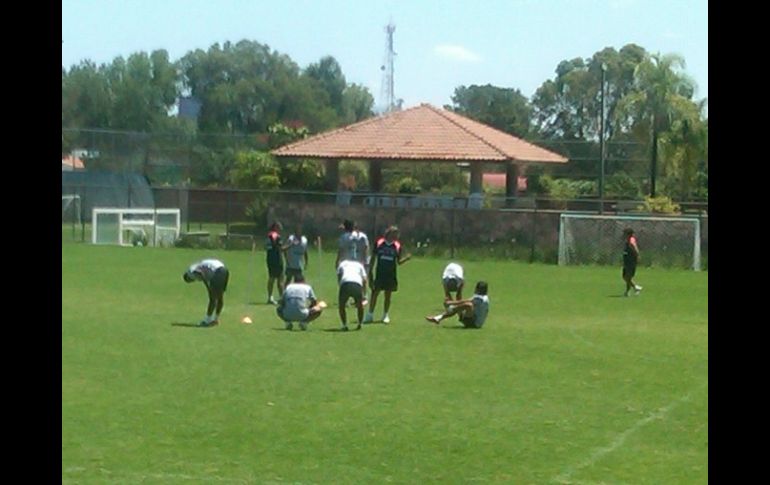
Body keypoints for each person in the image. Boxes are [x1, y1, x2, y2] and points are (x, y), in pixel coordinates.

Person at [364, 225, 411, 324]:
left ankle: (385, 315)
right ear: (390, 233)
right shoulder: (379, 243)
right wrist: (370, 272)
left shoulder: (397, 246)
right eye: (395, 234)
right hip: (380, 273)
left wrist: (406, 259)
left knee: (388, 294)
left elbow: (398, 262)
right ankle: (370, 314)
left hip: (391, 274)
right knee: (375, 293)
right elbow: (373, 258)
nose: (397, 236)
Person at [183, 259, 230, 327]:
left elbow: (201, 274)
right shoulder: (198, 266)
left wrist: (208, 288)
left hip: (217, 272)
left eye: (190, 281)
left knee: (212, 298)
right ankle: (215, 319)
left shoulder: (191, 272)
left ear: (188, 277)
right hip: (224, 270)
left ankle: (207, 320)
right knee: (220, 296)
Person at [425, 281, 490, 329]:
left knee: (468, 305)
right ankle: (440, 317)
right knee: (462, 301)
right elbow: (463, 301)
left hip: (474, 324)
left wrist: (451, 303)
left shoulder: (481, 299)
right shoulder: (481, 296)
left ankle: (446, 311)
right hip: (470, 319)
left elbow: (467, 301)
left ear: (477, 289)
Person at [336, 259, 368, 331]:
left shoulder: (343, 263)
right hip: (357, 283)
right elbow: (365, 279)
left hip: (345, 283)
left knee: (342, 306)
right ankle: (359, 323)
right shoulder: (359, 265)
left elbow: (339, 275)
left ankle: (344, 325)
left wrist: (340, 285)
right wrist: (364, 293)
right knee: (360, 305)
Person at [264, 221, 284, 305]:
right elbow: (279, 248)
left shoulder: (268, 235)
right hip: (276, 259)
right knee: (279, 279)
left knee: (271, 278)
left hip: (270, 258)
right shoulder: (275, 236)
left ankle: (270, 297)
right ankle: (282, 298)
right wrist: (290, 245)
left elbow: (266, 247)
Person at [622, 228, 643, 296]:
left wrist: (637, 256)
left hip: (631, 261)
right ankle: (633, 289)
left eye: (625, 233)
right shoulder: (628, 240)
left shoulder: (631, 241)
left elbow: (634, 248)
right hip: (627, 260)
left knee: (627, 277)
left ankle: (632, 289)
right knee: (625, 276)